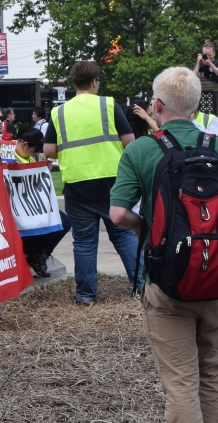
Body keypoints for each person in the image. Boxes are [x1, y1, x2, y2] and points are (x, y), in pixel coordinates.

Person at [110, 67, 218, 423]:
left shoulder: (141, 150)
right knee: (212, 380)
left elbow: (117, 215)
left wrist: (150, 226)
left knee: (180, 383)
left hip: (167, 282)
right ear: (195, 107)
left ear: (157, 105)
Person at [43, 61, 140, 306]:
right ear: (95, 81)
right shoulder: (108, 104)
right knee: (124, 234)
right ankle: (142, 286)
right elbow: (131, 142)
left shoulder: (59, 112)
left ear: (75, 83)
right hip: (112, 182)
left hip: (77, 184)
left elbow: (49, 151)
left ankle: (86, 295)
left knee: (84, 241)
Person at [12, 127, 72, 278]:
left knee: (64, 221)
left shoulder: (29, 157)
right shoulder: (7, 152)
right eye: (33, 151)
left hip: (32, 206)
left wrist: (42, 169)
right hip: (16, 208)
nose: (34, 155)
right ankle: (31, 252)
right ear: (24, 144)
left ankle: (38, 255)